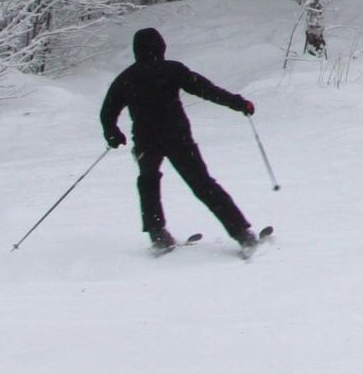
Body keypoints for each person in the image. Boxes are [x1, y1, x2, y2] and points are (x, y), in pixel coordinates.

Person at [101, 26, 260, 251]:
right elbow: (206, 89)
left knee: (148, 181)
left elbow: (107, 112)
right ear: (161, 47)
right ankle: (242, 233)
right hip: (177, 137)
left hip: (146, 140)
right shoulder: (172, 70)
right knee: (203, 184)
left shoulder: (126, 78)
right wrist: (239, 103)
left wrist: (113, 134)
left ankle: (157, 232)